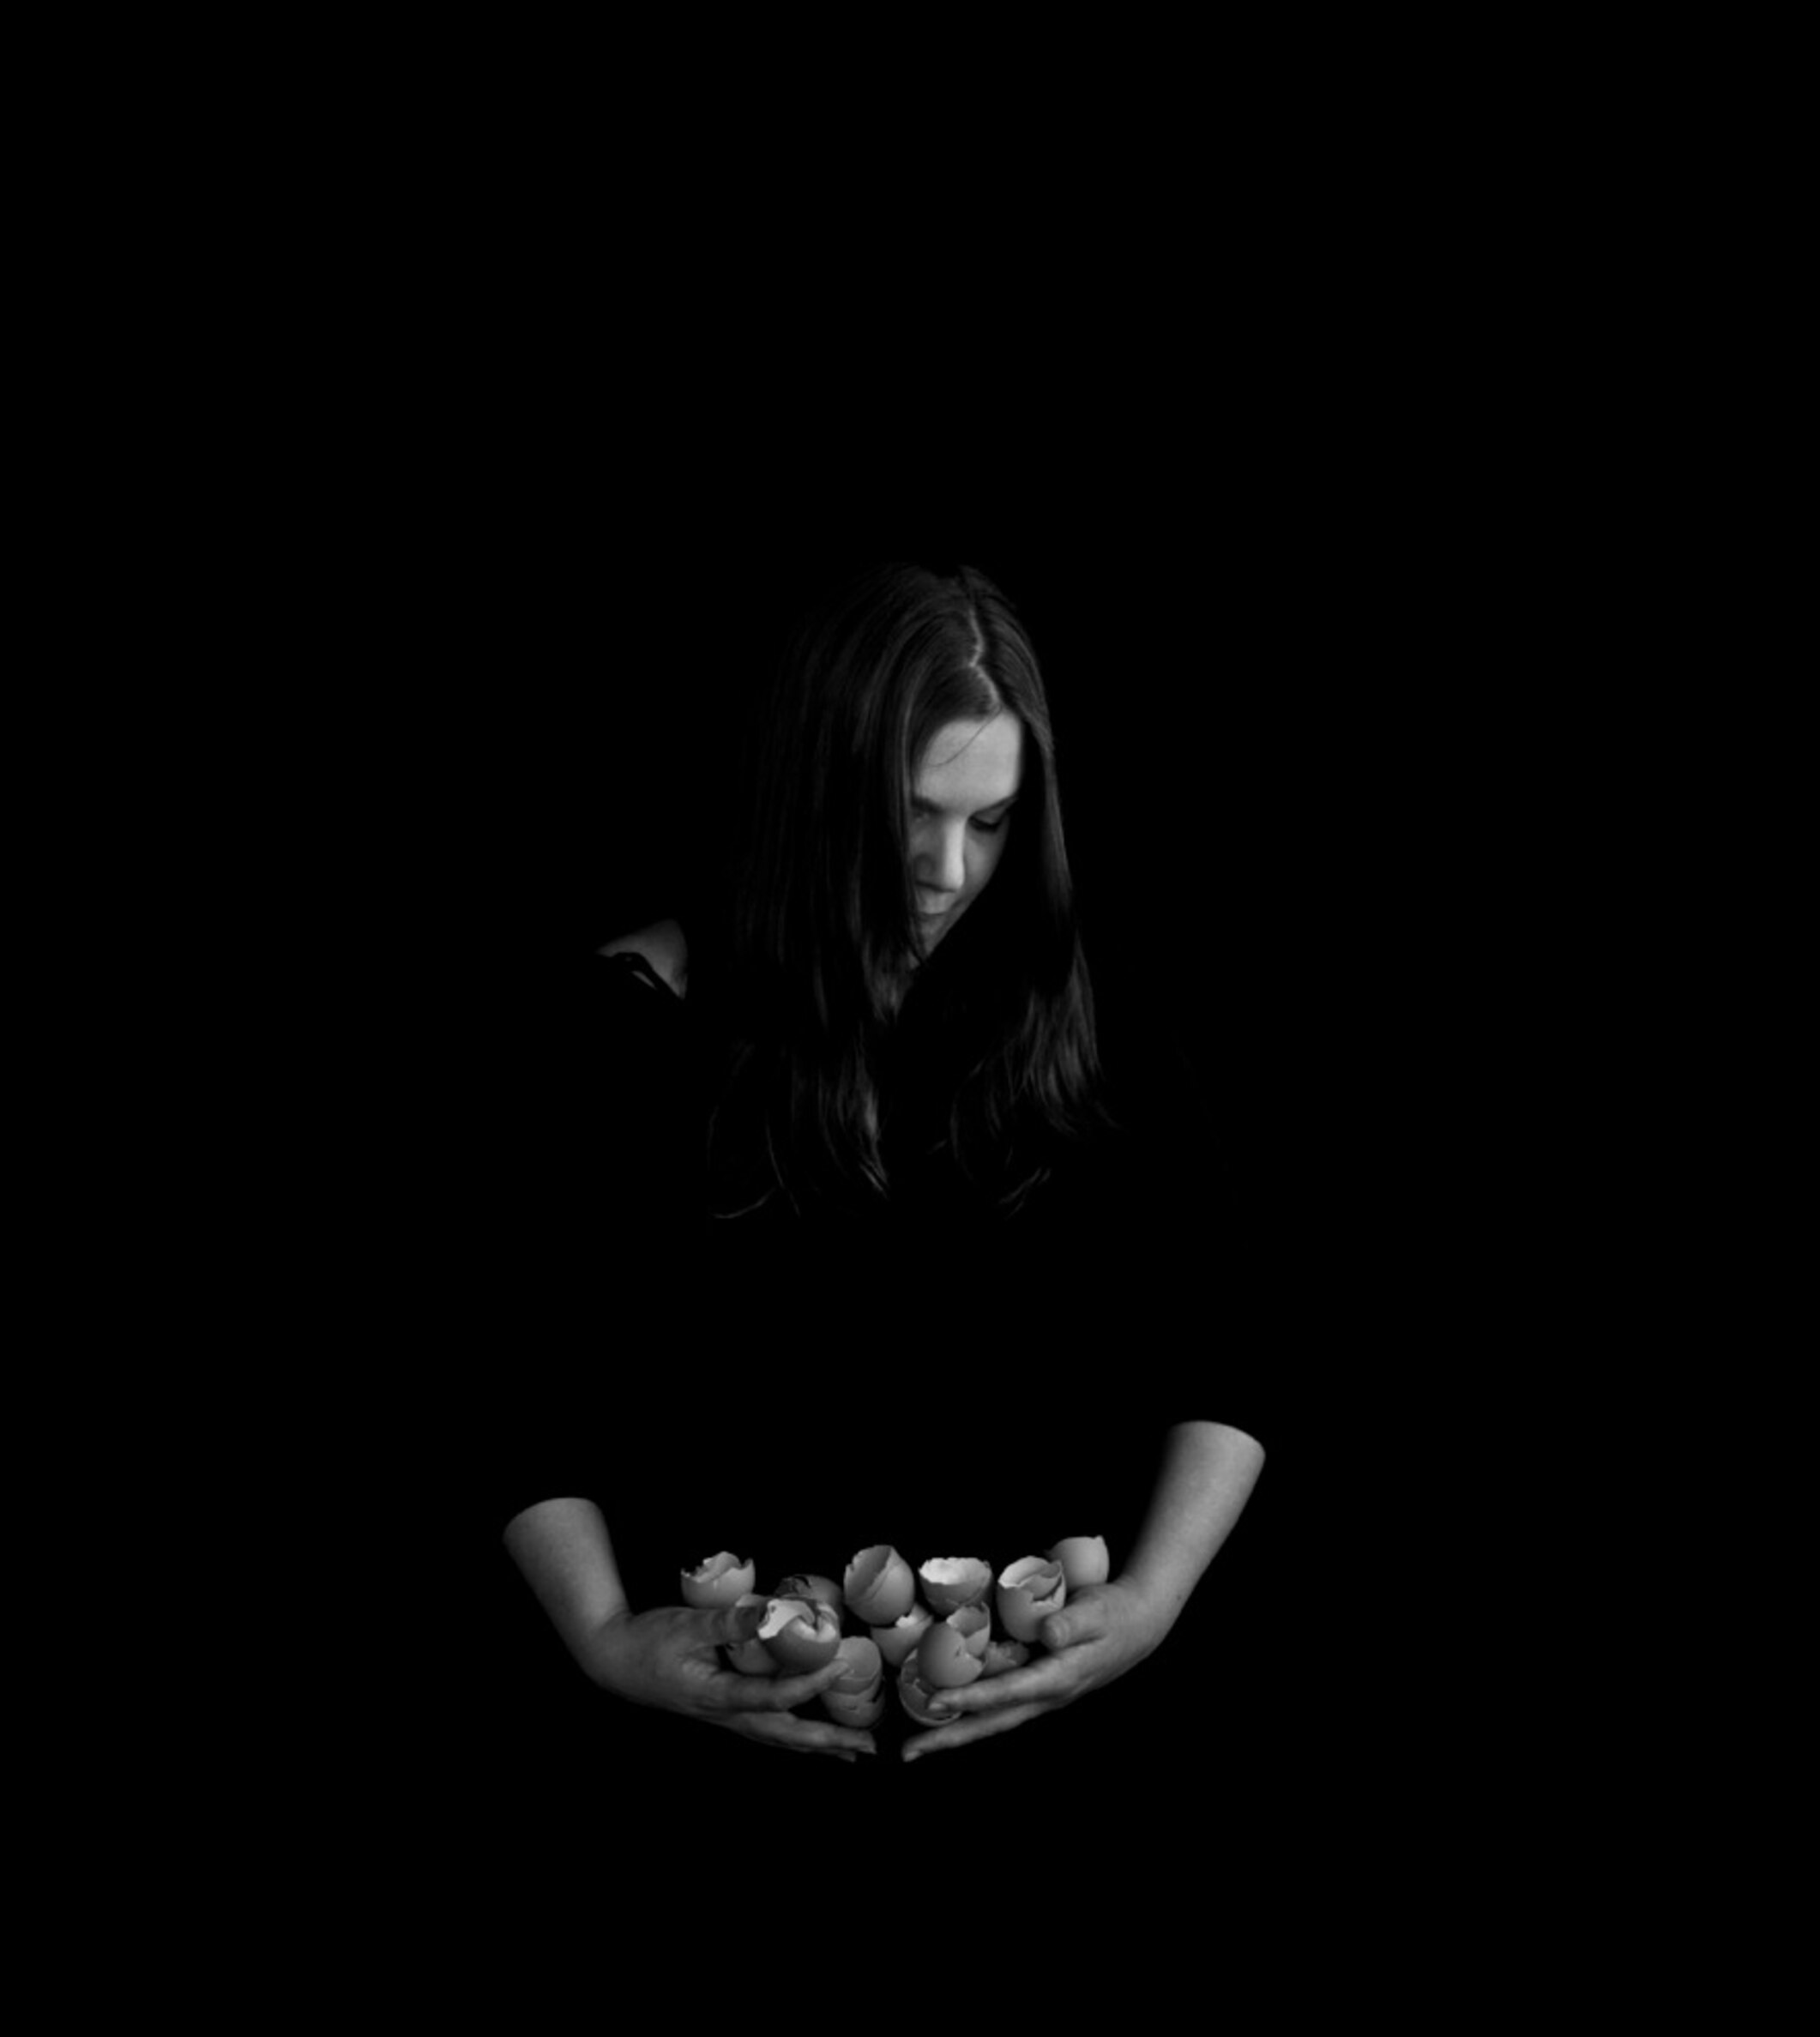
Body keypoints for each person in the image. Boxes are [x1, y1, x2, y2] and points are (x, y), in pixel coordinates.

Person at [476, 559, 1268, 1823]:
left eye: (991, 822)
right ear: (811, 791)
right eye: (909, 814)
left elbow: (1229, 1337)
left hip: (1059, 1749)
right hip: (710, 1763)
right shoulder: (625, 1032)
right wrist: (602, 1635)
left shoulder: (1082, 1012)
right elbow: (514, 1378)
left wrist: (1153, 1601)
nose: (947, 871)